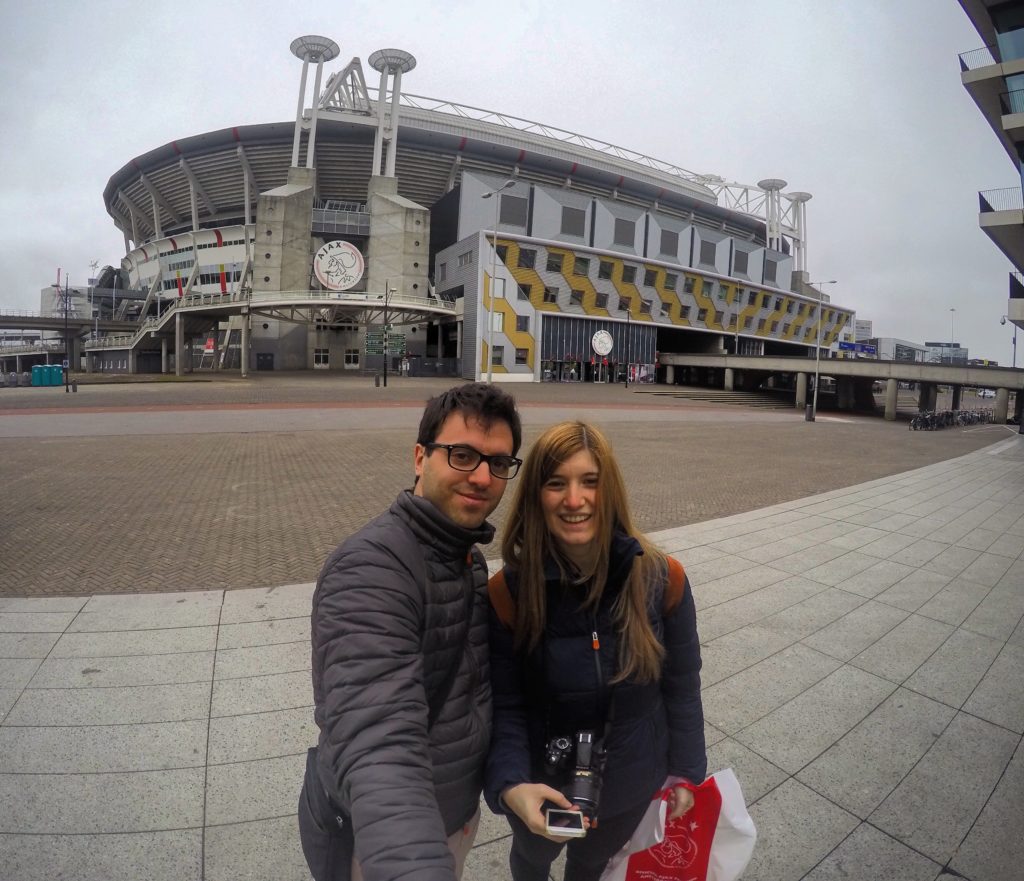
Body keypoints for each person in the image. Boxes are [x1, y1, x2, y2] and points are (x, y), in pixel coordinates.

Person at [299, 382, 523, 881]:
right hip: (378, 841)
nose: (483, 476)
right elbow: (380, 744)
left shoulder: (467, 557)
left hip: (454, 816)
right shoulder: (370, 569)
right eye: (462, 455)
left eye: (500, 463)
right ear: (420, 457)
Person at [485, 421, 706, 881]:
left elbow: (682, 686)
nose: (574, 500)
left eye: (590, 482)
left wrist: (686, 772)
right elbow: (505, 706)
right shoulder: (508, 594)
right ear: (535, 496)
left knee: (591, 866)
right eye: (555, 483)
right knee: (530, 863)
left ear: (611, 491)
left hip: (629, 783)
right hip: (540, 785)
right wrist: (511, 786)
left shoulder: (664, 581)